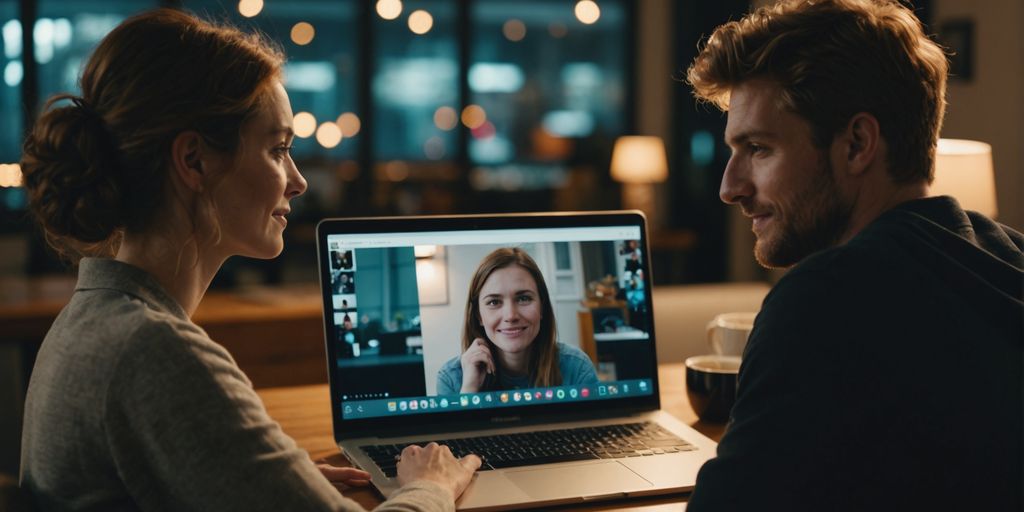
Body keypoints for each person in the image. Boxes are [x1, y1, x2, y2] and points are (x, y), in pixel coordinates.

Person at [19, 9, 479, 511]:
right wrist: (432, 485)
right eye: (278, 149)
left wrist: (264, 476)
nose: (298, 181)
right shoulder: (158, 356)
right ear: (194, 160)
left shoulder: (91, 318)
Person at [683, 0, 1022, 510]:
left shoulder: (824, 300)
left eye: (759, 148)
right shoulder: (1010, 256)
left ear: (857, 144)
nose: (730, 188)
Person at [436, 248, 599, 394]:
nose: (510, 315)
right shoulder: (451, 379)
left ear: (542, 307)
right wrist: (469, 389)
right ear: (478, 315)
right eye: (494, 302)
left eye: (523, 298)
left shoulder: (577, 368)